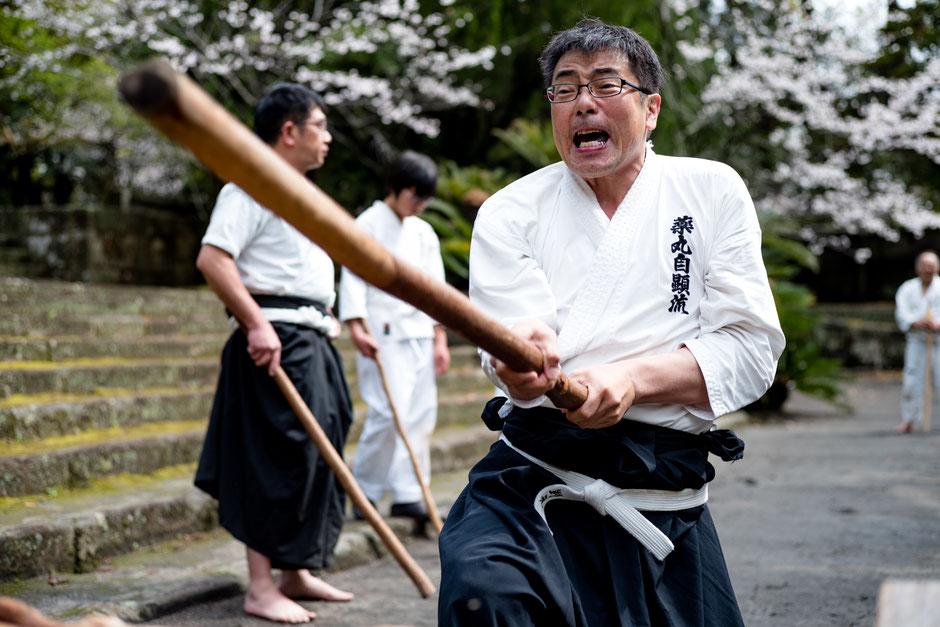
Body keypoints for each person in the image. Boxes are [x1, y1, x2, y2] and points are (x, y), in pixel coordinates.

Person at [438, 19, 785, 626]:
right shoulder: (510, 211)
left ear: (650, 109)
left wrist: (630, 380)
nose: (583, 104)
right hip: (535, 476)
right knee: (485, 597)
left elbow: (750, 351)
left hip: (662, 495)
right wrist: (525, 363)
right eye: (565, 90)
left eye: (605, 84)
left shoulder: (711, 190)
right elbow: (518, 340)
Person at [193, 83, 354, 624]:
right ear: (290, 131)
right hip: (276, 339)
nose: (327, 138)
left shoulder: (300, 193)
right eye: (320, 126)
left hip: (311, 334)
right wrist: (257, 323)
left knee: (320, 446)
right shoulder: (248, 188)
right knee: (275, 457)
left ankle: (296, 571)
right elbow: (214, 260)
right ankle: (261, 587)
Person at [338, 151, 450, 520]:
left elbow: (436, 287)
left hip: (419, 331)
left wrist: (440, 339)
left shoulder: (424, 232)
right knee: (387, 413)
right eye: (414, 196)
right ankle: (365, 491)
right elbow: (352, 276)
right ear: (397, 189)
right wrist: (355, 326)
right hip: (381, 332)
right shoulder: (367, 224)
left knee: (420, 415)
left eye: (424, 199)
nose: (419, 205)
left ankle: (408, 491)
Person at [894, 250, 940, 434]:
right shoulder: (907, 288)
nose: (928, 269)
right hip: (916, 340)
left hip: (939, 340)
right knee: (912, 380)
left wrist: (937, 325)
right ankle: (908, 419)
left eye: (931, 265)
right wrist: (916, 321)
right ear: (917, 267)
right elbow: (901, 313)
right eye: (924, 265)